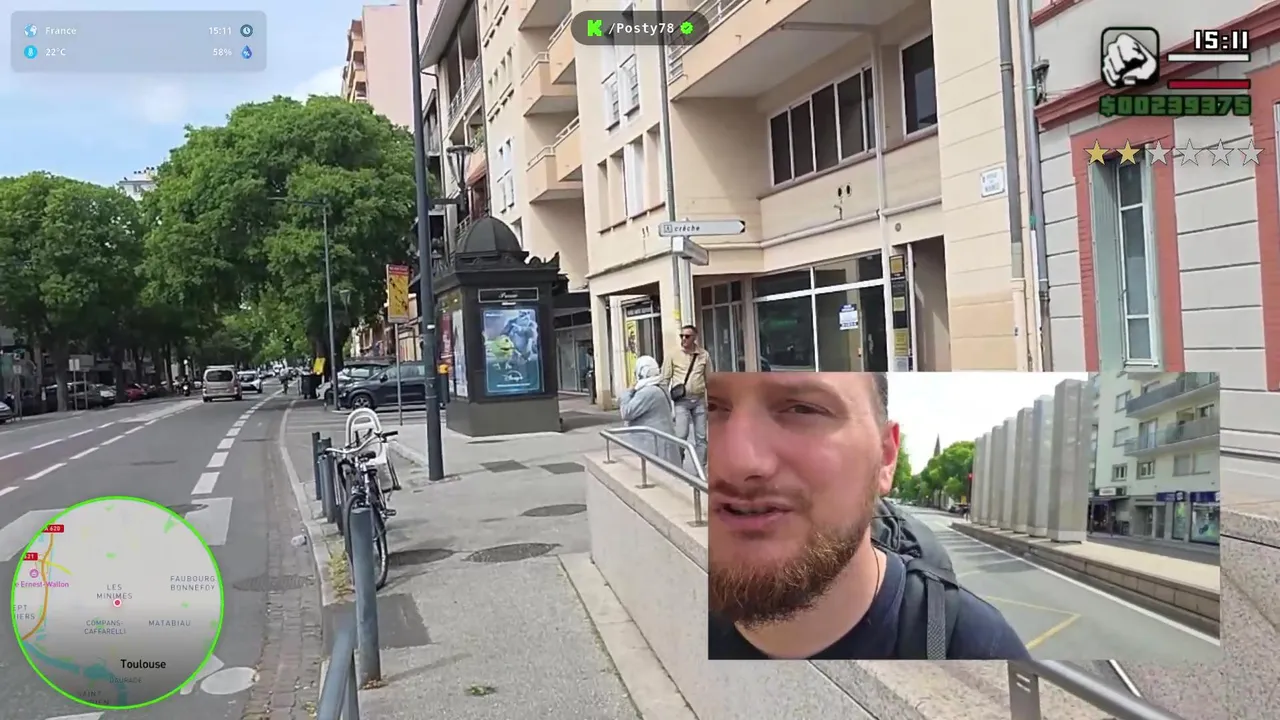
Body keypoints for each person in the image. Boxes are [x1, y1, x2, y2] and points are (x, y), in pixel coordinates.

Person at [705, 372, 1028, 660]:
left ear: (886, 457)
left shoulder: (981, 646)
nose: (736, 461)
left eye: (802, 409)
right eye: (712, 407)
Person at [661, 325, 710, 467]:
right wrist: (665, 404)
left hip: (699, 400)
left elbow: (709, 379)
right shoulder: (673, 355)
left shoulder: (703, 355)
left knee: (701, 437)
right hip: (681, 402)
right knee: (681, 435)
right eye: (681, 336)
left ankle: (700, 468)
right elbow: (665, 380)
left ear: (695, 338)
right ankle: (678, 464)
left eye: (687, 336)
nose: (683, 339)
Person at [618, 356, 679, 465]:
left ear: (642, 373)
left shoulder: (648, 391)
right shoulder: (658, 387)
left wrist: (627, 392)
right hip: (658, 443)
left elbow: (626, 412)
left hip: (654, 446)